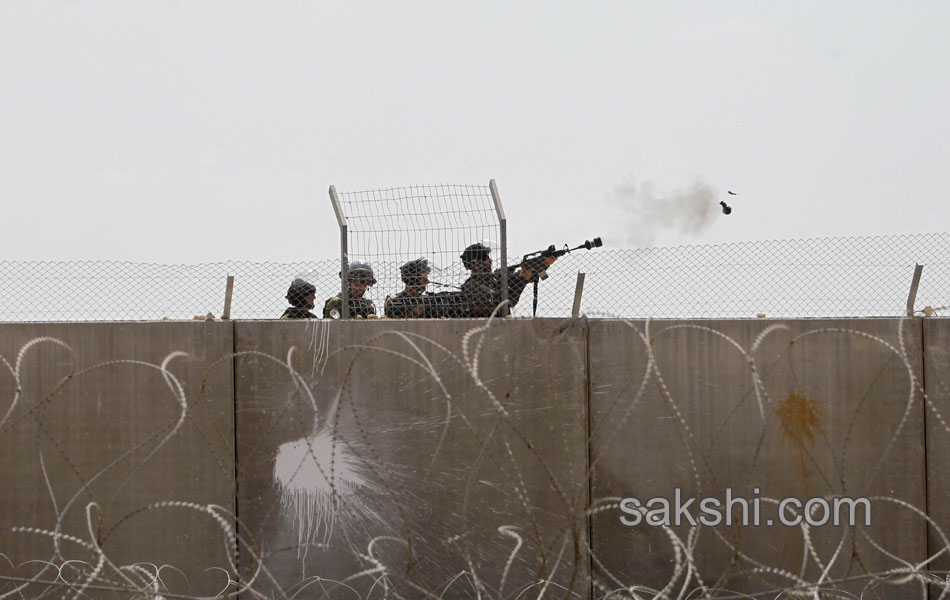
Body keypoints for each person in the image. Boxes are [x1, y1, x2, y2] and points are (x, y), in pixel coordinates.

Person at [458, 242, 556, 317]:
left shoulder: (494, 278)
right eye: (487, 258)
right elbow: (507, 301)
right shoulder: (472, 286)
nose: (490, 261)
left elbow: (519, 278)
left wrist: (545, 263)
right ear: (477, 264)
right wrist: (523, 279)